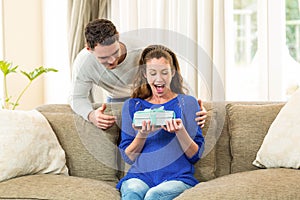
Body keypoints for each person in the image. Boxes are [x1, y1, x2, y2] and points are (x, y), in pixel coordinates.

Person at [69, 18, 207, 130]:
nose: (112, 61)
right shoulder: (83, 64)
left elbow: (172, 77)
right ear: (89, 49)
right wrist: (91, 115)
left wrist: (194, 106)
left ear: (118, 37)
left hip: (145, 95)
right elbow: (77, 97)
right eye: (103, 58)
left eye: (115, 53)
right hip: (116, 99)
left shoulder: (141, 49)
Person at [116, 45, 204, 200]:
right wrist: (142, 134)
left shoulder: (187, 103)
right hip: (139, 176)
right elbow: (128, 157)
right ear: (145, 74)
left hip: (177, 177)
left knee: (154, 195)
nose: (159, 79)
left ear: (173, 72)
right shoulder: (132, 105)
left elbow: (195, 156)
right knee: (133, 192)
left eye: (164, 72)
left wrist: (180, 131)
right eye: (152, 73)